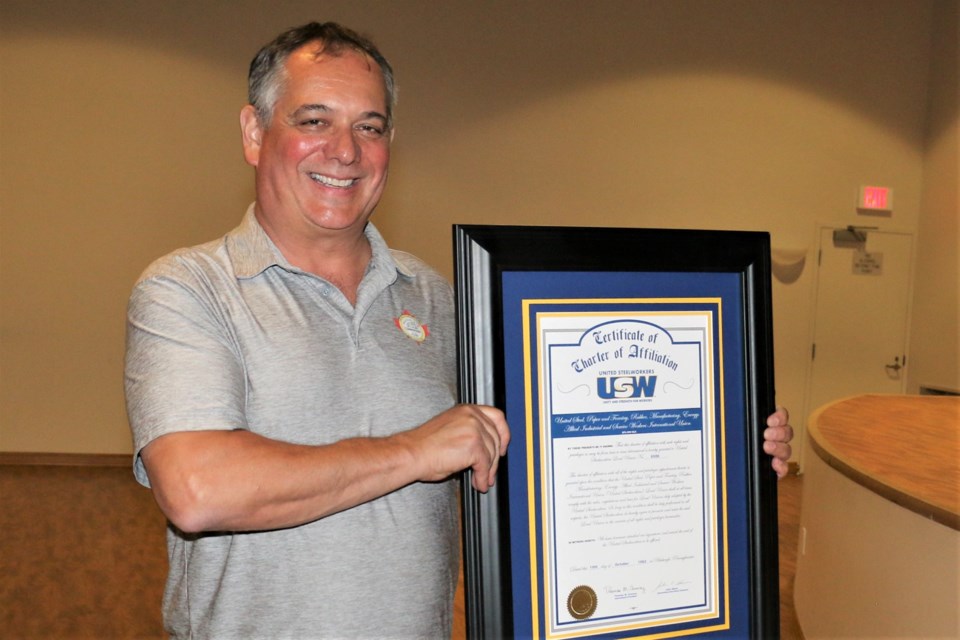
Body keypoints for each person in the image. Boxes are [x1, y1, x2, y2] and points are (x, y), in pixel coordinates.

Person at [125, 21, 793, 639]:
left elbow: (539, 459)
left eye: (371, 126)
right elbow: (197, 489)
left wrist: (723, 444)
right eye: (314, 120)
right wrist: (417, 450)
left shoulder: (442, 302)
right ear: (253, 131)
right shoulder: (188, 289)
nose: (346, 152)